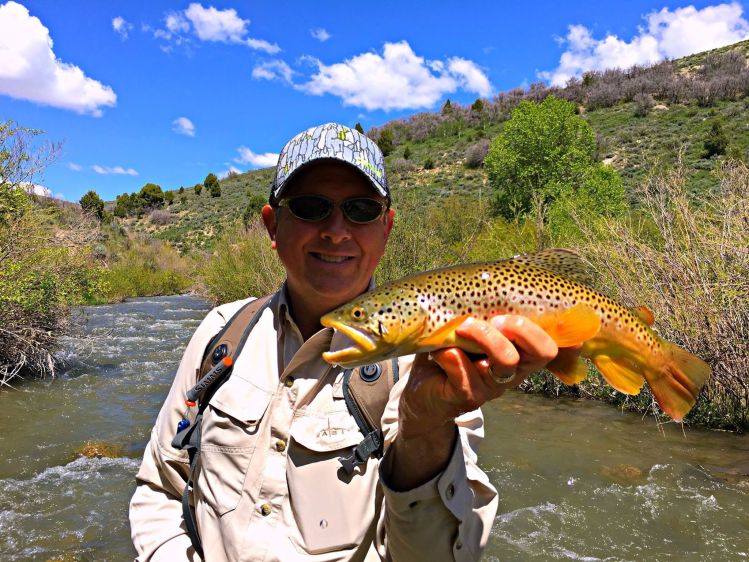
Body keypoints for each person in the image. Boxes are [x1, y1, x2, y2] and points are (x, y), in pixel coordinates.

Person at [130, 123, 568, 561]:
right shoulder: (220, 333)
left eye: (360, 209)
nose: (337, 230)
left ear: (387, 227)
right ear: (272, 225)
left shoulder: (435, 364)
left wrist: (424, 428)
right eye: (310, 207)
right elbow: (161, 489)